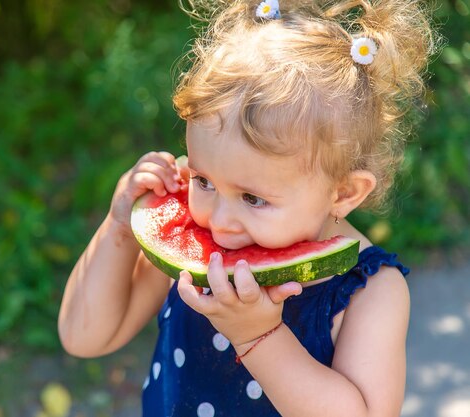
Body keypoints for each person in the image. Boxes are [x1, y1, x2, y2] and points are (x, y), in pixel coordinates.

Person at [58, 0, 438, 415]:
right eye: (203, 180)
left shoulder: (371, 292)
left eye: (253, 198)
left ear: (344, 193)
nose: (218, 222)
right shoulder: (193, 233)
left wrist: (259, 338)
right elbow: (85, 337)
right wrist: (119, 229)